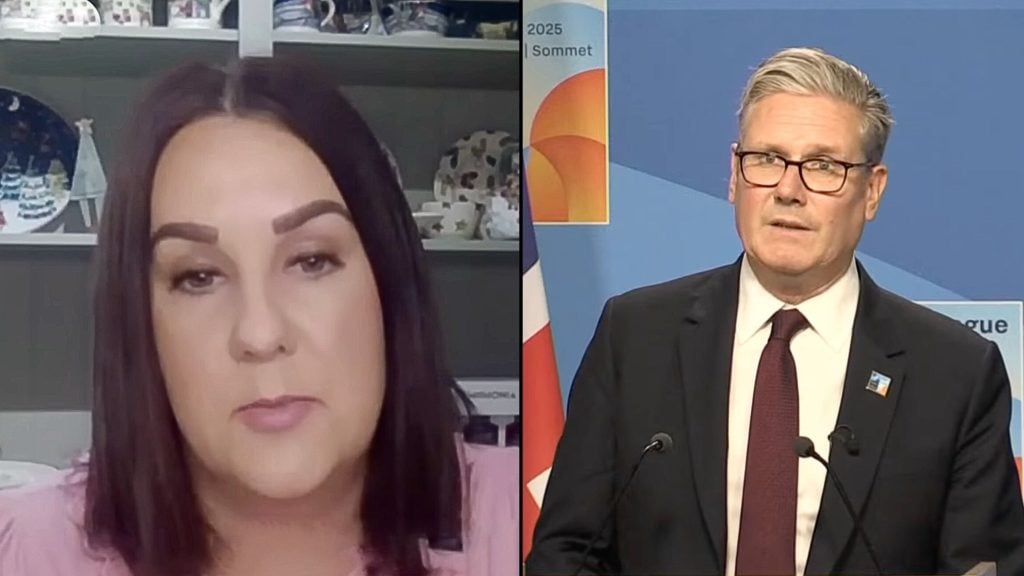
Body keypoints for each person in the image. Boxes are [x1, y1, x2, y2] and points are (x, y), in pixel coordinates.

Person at [0, 57, 518, 576]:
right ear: (140, 323)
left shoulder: (538, 517)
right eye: (198, 277)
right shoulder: (26, 552)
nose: (260, 334)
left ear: (388, 284)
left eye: (311, 261)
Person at [525, 47, 1024, 576]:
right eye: (766, 160)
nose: (788, 190)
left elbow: (983, 568)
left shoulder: (955, 372)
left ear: (871, 191)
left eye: (823, 166)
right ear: (734, 176)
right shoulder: (635, 336)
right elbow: (567, 552)